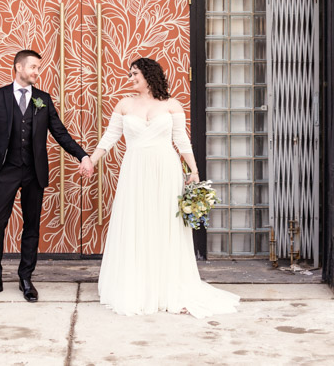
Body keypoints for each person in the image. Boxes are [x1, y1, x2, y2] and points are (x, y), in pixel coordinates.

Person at [86, 57, 240, 318]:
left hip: (166, 171)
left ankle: (168, 287)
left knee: (164, 225)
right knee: (138, 223)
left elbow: (181, 140)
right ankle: (138, 286)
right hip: (135, 170)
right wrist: (91, 161)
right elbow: (110, 137)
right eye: (130, 74)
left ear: (149, 75)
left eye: (135, 74)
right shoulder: (124, 104)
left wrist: (193, 171)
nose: (131, 78)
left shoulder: (171, 105)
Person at [0, 49, 94, 303]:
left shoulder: (43, 100)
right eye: (34, 67)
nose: (38, 72)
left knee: (31, 226)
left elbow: (61, 133)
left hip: (34, 171)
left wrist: (83, 156)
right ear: (19, 68)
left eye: (39, 68)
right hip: (5, 170)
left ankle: (26, 278)